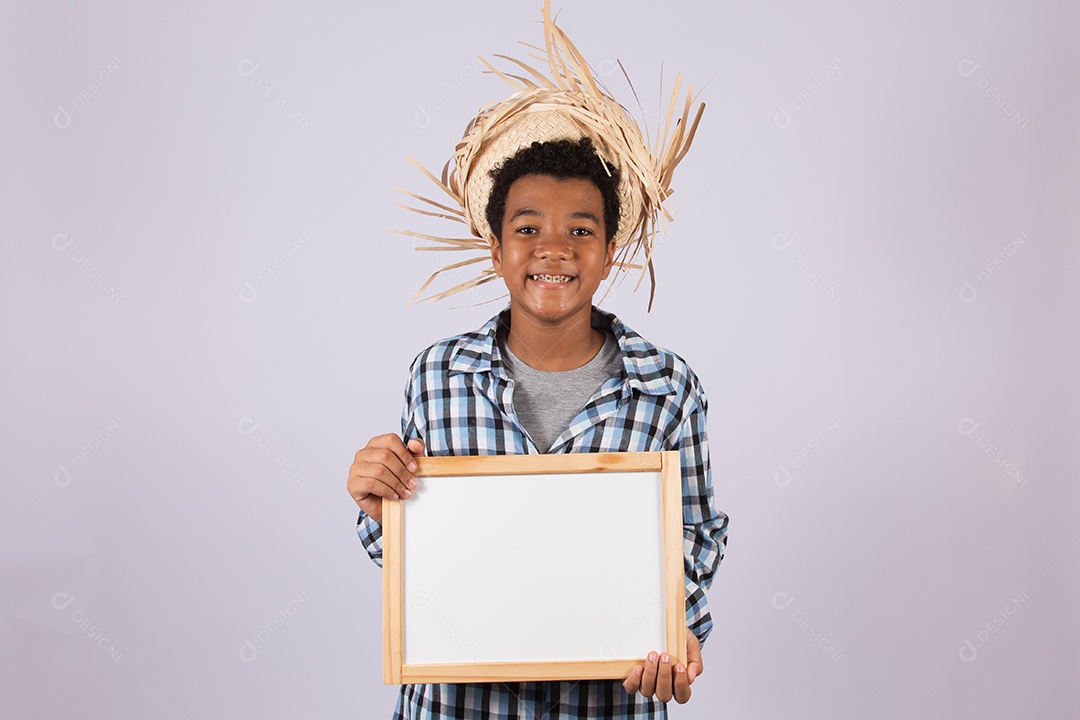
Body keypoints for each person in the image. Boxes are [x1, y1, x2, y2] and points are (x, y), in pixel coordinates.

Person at [346, 4, 727, 718]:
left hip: (605, 705)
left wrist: (677, 629)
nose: (554, 248)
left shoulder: (667, 387)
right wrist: (376, 504)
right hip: (459, 707)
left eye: (581, 229)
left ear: (610, 251)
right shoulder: (438, 376)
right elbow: (415, 550)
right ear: (495, 249)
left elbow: (697, 530)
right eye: (528, 228)